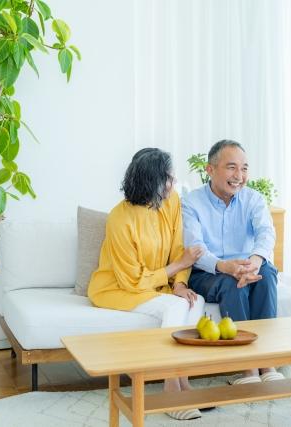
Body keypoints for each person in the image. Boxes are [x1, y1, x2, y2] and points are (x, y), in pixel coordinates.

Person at [88, 147, 205, 421]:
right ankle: (169, 387)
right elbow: (132, 280)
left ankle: (182, 379)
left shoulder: (171, 201)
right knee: (174, 308)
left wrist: (179, 284)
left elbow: (178, 249)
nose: (174, 183)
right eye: (169, 178)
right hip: (119, 288)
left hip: (157, 285)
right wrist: (177, 268)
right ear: (152, 181)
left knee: (194, 300)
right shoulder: (119, 218)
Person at [182, 139, 283, 384]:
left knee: (267, 274)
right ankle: (247, 367)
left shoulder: (253, 199)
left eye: (244, 168)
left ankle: (267, 362)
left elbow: (266, 233)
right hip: (208, 271)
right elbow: (195, 248)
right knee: (231, 283)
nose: (239, 176)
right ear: (210, 169)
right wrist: (224, 266)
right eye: (231, 167)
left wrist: (255, 261)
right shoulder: (191, 202)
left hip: (247, 265)